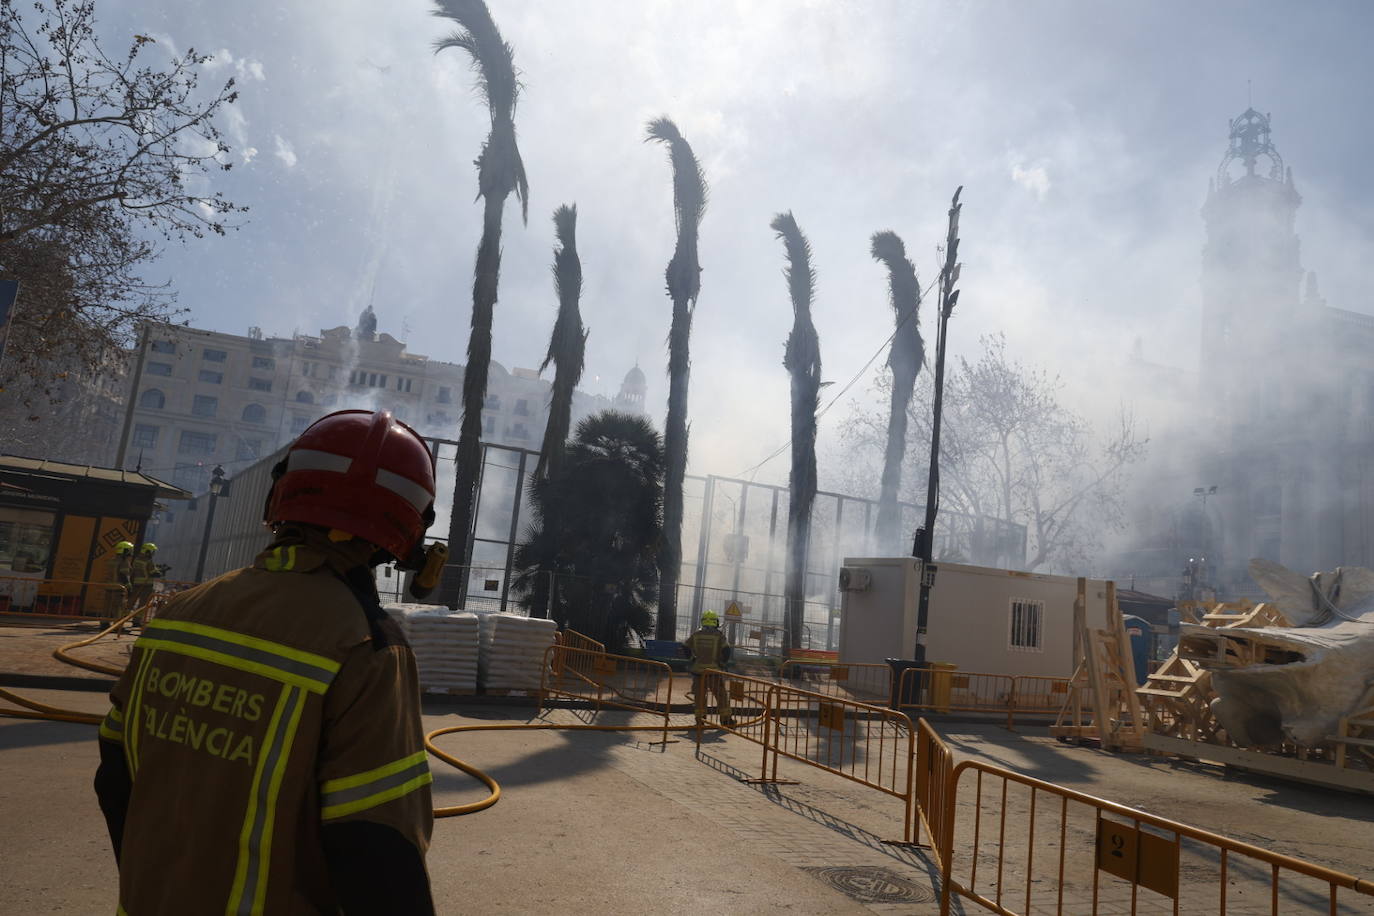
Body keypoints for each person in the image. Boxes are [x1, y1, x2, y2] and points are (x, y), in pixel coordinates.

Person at [94, 410, 439, 914]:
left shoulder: (177, 614)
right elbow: (378, 848)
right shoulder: (366, 645)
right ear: (410, 527)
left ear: (282, 495)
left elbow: (115, 777)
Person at [682, 610, 734, 727]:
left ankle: (700, 721)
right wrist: (722, 663)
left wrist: (692, 659)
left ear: (703, 621)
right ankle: (726, 720)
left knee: (699, 697)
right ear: (715, 622)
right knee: (721, 696)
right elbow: (727, 650)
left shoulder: (696, 635)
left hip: (698, 672)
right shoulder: (719, 636)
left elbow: (685, 646)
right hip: (714, 672)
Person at [126, 542, 162, 621]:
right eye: (152, 551)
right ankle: (137, 620)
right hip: (146, 585)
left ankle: (123, 618)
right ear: (147, 551)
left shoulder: (137, 559)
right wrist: (160, 572)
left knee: (131, 602)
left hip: (136, 584)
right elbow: (153, 573)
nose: (153, 554)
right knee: (142, 604)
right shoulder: (149, 561)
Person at [106, 541, 134, 617]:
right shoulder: (124, 562)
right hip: (118, 588)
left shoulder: (111, 560)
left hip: (108, 588)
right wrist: (129, 587)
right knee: (118, 608)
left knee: (107, 607)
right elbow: (124, 575)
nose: (131, 552)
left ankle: (104, 624)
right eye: (130, 550)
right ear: (125, 551)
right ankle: (118, 626)